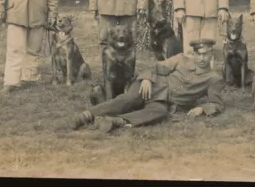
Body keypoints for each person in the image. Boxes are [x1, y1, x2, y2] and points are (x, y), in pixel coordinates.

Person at [65, 38, 226, 133]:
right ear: (195, 53)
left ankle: (116, 121)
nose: (202, 58)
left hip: (164, 102)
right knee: (128, 99)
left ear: (211, 54)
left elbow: (217, 103)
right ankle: (85, 116)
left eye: (206, 54)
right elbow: (155, 67)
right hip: (152, 85)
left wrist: (202, 109)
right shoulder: (181, 59)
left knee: (159, 113)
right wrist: (147, 79)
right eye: (199, 54)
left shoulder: (213, 78)